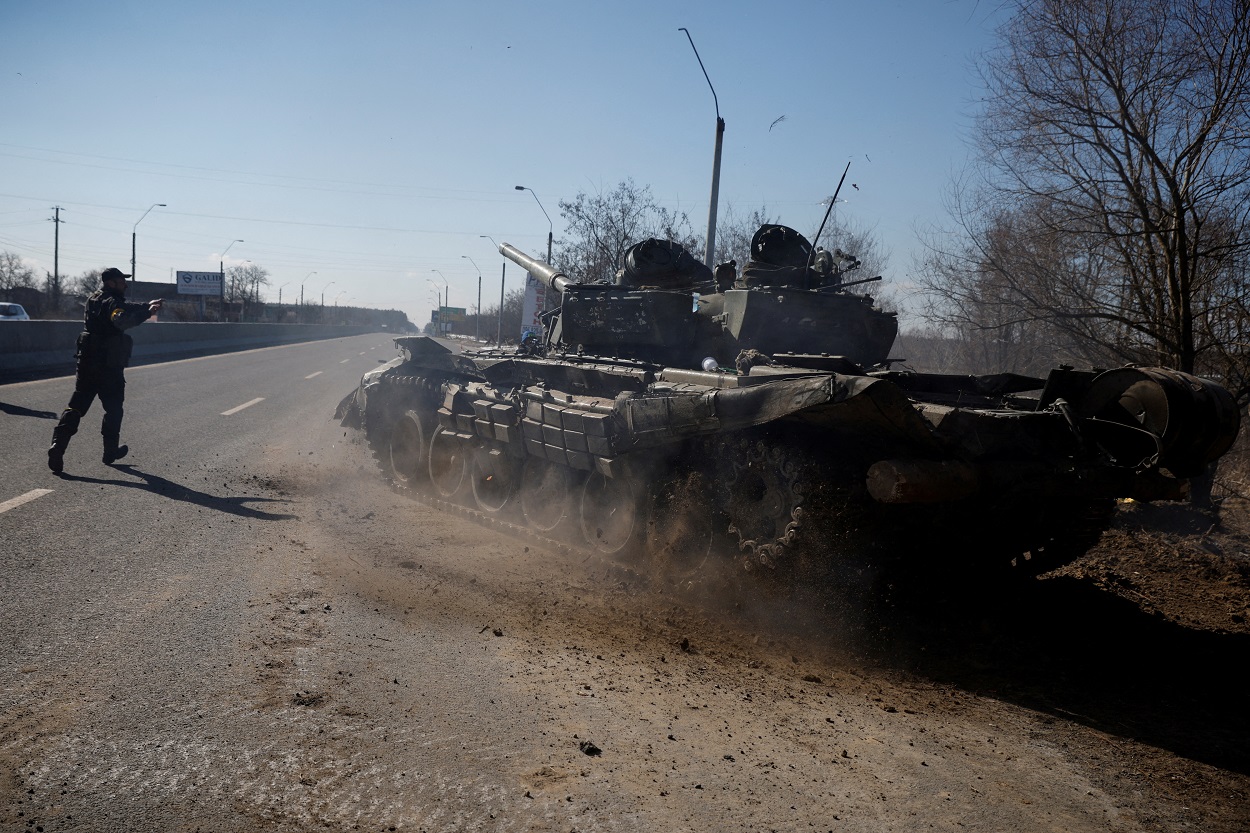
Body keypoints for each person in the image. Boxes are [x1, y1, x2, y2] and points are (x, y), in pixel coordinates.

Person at [47, 267, 163, 473]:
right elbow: (121, 319)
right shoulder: (112, 302)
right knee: (114, 409)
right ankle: (110, 451)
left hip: (86, 363)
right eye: (121, 281)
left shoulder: (94, 298)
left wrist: (147, 305)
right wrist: (146, 313)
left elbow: (124, 307)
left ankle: (58, 445)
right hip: (108, 366)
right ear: (111, 283)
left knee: (77, 405)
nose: (125, 285)